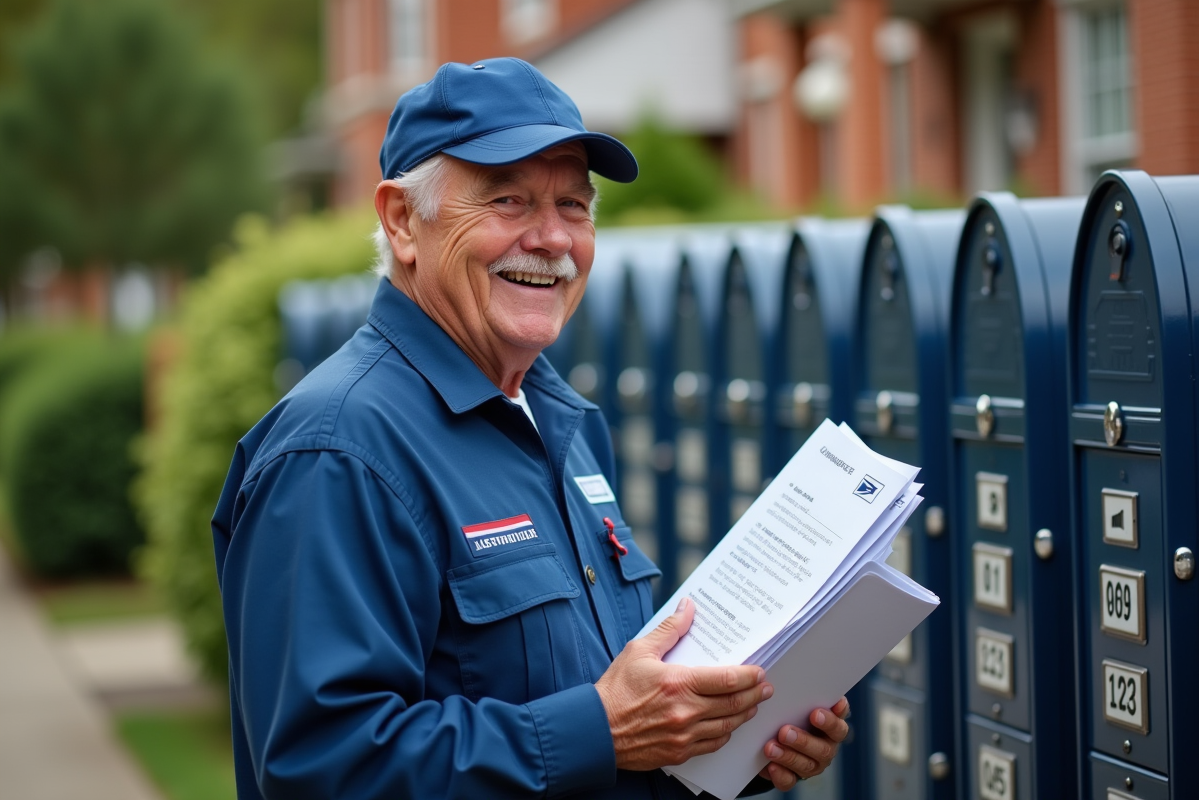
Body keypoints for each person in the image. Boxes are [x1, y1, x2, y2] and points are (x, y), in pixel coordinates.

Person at [212, 57, 848, 800]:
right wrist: (599, 731)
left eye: (574, 206)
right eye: (509, 201)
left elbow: (615, 724)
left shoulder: (564, 425)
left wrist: (731, 743)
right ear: (401, 221)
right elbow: (325, 771)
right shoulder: (337, 450)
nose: (552, 239)